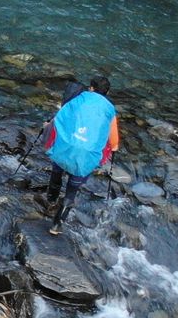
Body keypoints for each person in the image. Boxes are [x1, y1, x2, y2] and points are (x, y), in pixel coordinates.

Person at [42, 75, 121, 235]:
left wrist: (47, 127)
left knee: (57, 171)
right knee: (71, 191)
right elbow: (113, 141)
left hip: (65, 147)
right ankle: (57, 225)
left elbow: (61, 118)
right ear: (107, 92)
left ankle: (50, 202)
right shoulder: (109, 109)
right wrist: (114, 147)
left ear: (91, 88)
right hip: (87, 156)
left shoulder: (78, 98)